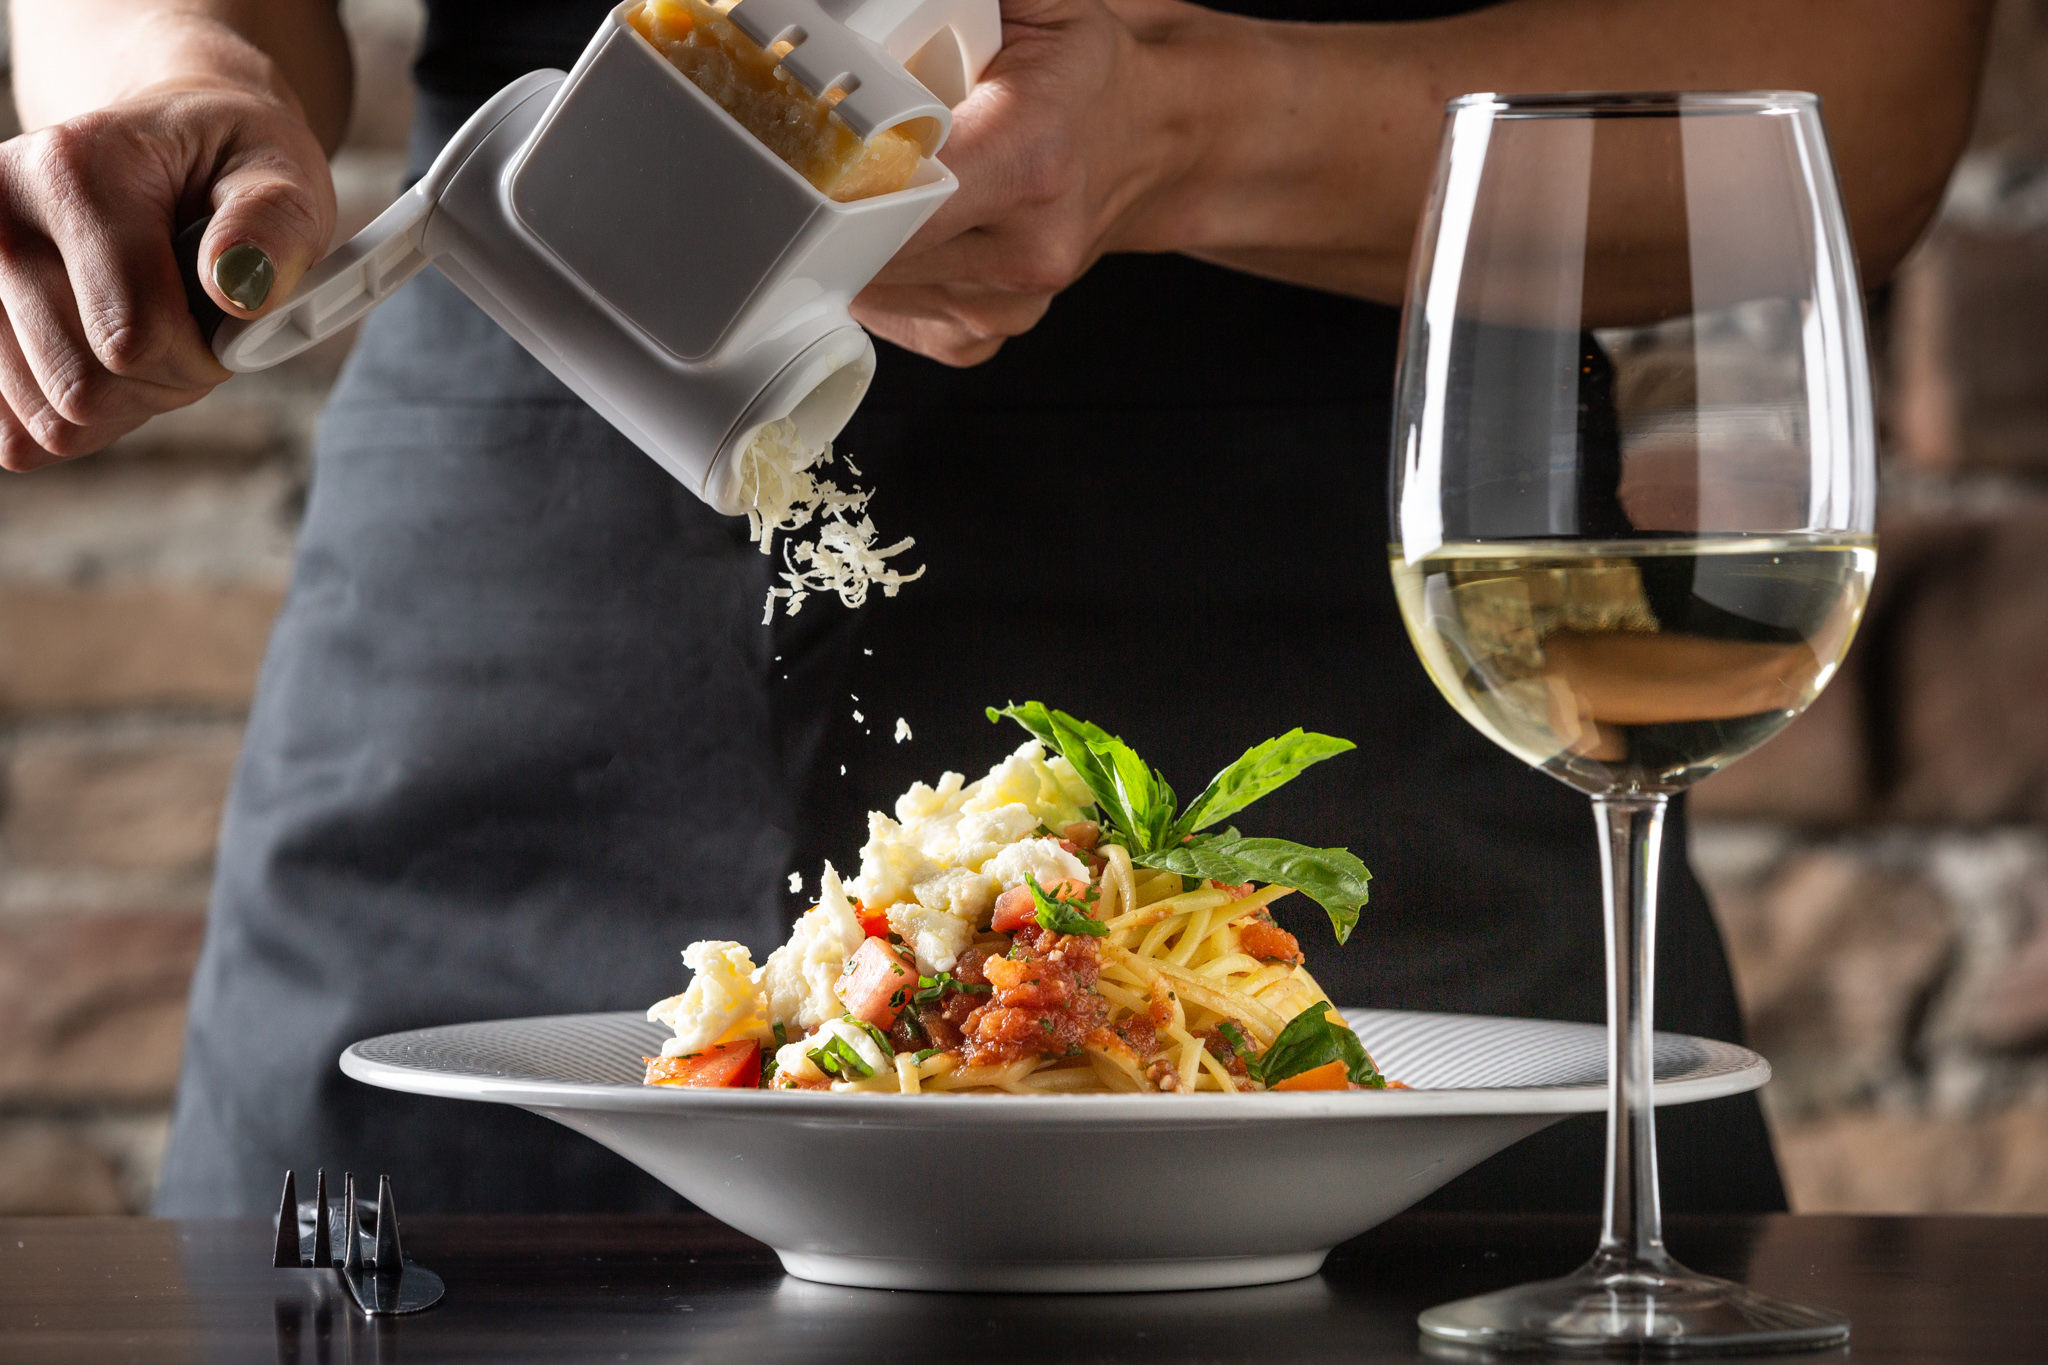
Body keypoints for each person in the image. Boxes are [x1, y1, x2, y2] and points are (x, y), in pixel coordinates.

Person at [1, 0, 1988, 1215]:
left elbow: (1876, 83)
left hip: (1353, 605)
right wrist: (173, 84)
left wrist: (1198, 122)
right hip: (513, 579)